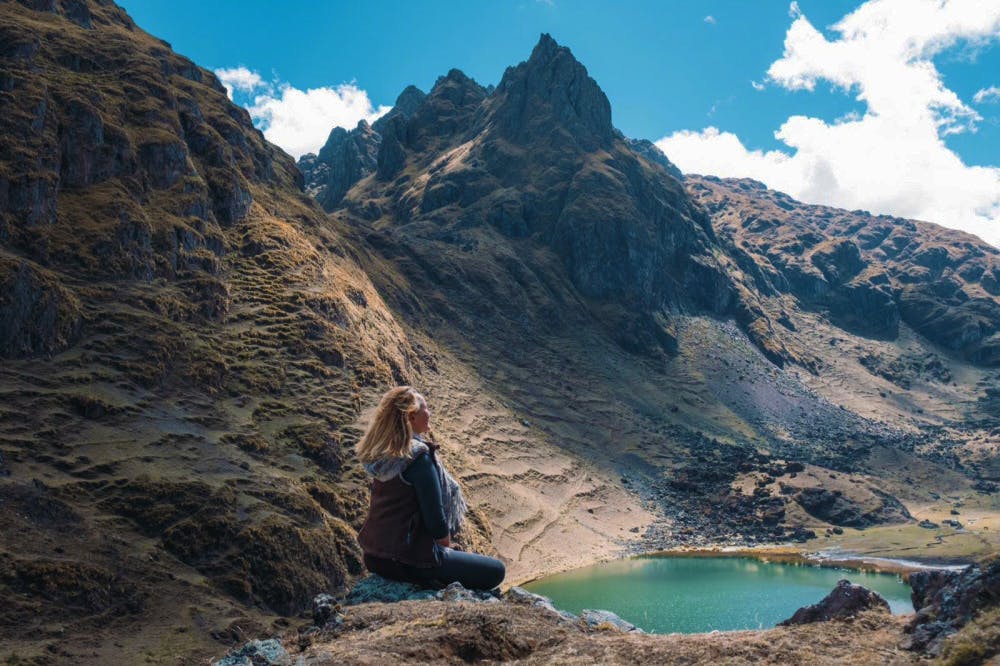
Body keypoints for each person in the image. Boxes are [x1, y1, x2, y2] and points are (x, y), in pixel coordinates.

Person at [355, 386, 505, 591]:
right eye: (425, 408)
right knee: (496, 570)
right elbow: (436, 523)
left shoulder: (383, 453)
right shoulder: (418, 458)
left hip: (375, 557)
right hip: (409, 560)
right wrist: (443, 551)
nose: (429, 413)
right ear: (412, 417)